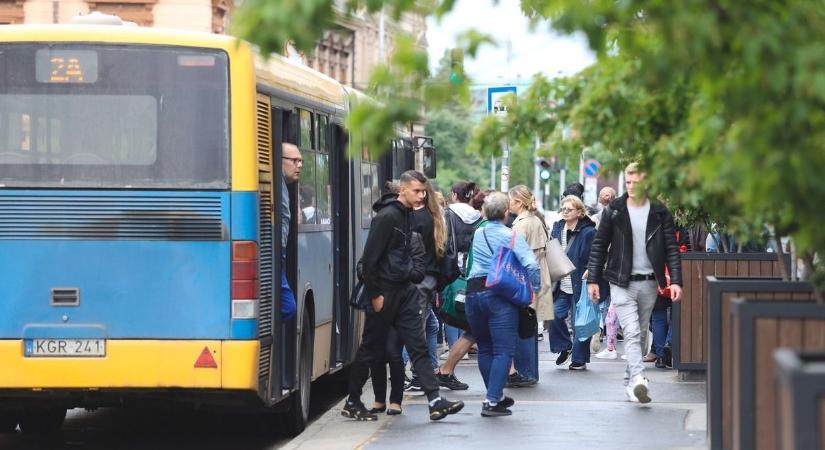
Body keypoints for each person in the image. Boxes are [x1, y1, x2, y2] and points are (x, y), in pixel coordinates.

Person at [343, 170, 463, 421]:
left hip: (404, 291)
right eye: (417, 191)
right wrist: (376, 294)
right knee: (370, 347)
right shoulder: (387, 217)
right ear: (403, 190)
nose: (421, 196)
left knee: (417, 346)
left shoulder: (407, 215)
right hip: (385, 292)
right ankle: (353, 400)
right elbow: (369, 261)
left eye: (423, 191)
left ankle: (435, 400)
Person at [587, 163, 683, 404]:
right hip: (621, 281)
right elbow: (599, 245)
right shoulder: (614, 211)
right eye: (628, 182)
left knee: (639, 334)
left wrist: (677, 281)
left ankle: (630, 384)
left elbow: (672, 248)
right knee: (630, 331)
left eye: (636, 183)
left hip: (650, 283)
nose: (631, 187)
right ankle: (640, 379)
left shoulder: (660, 212)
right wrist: (593, 279)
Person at [465, 192, 541, 417]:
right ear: (507, 213)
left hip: (473, 293)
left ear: (484, 212)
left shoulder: (478, 233)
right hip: (499, 295)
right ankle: (491, 401)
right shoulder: (511, 235)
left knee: (485, 347)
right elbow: (532, 265)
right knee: (504, 350)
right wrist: (534, 289)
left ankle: (495, 395)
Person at [370, 231, 427, 415]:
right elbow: (363, 265)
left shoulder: (413, 238)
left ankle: (395, 400)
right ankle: (379, 400)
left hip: (402, 306)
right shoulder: (378, 237)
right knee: (376, 354)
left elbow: (419, 272)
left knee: (393, 352)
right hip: (379, 304)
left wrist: (393, 270)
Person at [434, 181, 482, 391]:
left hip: (447, 275)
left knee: (435, 324)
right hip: (470, 277)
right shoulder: (479, 219)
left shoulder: (445, 215)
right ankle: (443, 371)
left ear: (454, 195)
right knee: (474, 327)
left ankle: (437, 371)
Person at [507, 185, 553, 385]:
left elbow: (517, 255)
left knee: (522, 325)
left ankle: (524, 372)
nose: (508, 203)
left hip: (526, 278)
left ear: (518, 202)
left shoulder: (520, 225)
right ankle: (531, 371)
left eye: (510, 200)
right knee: (530, 324)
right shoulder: (536, 220)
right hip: (540, 274)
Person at [404, 179, 447, 392]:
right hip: (431, 278)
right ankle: (430, 368)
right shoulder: (434, 216)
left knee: (416, 329)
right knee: (430, 325)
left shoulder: (415, 219)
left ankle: (417, 376)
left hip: (419, 280)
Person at [549, 195, 597, 370]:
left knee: (581, 322)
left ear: (579, 212)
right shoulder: (557, 228)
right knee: (554, 314)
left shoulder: (588, 231)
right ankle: (564, 346)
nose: (565, 212)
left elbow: (597, 253)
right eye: (563, 209)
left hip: (580, 281)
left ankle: (579, 359)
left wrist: (591, 269)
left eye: (569, 209)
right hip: (561, 283)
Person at [279, 143, 301, 322]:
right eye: (294, 160)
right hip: (276, 253)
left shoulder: (282, 186)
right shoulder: (275, 185)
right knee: (287, 306)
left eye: (300, 161)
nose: (299, 165)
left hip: (281, 253)